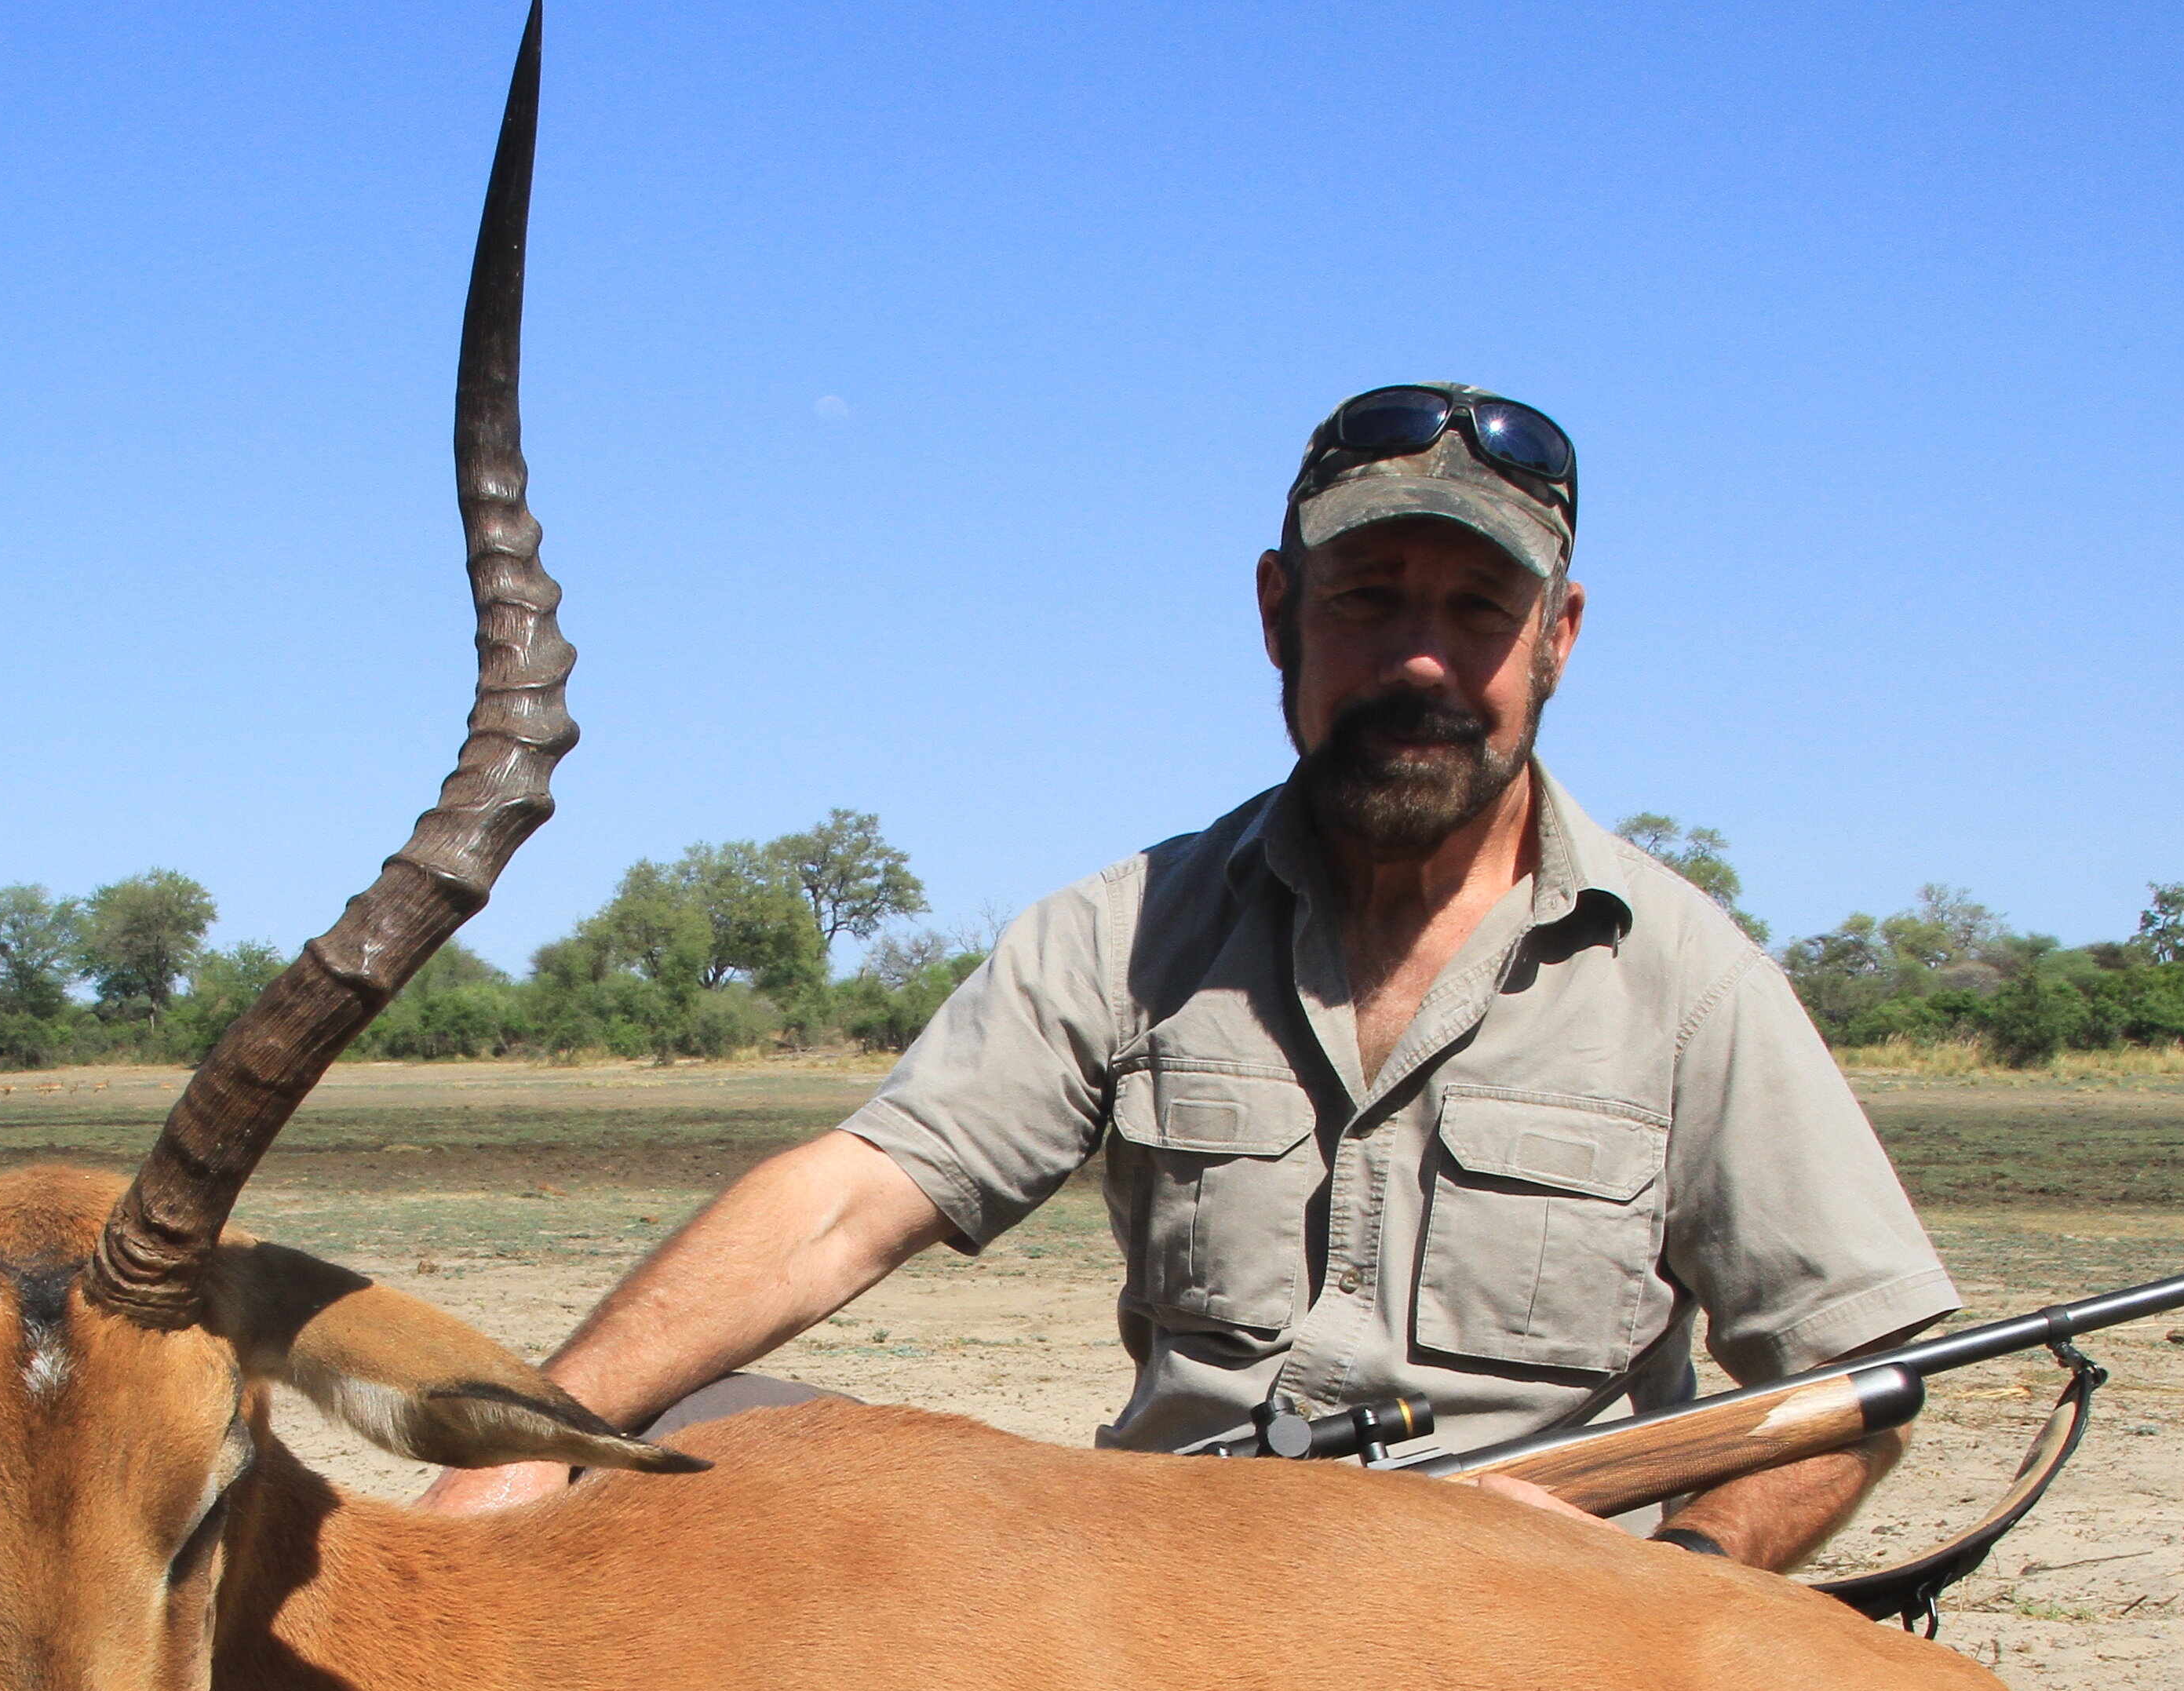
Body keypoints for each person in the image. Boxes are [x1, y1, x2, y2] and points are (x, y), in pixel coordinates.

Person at [426, 382, 1957, 1569]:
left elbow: (1862, 1372)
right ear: (1279, 614)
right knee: (686, 1433)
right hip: (1162, 1611)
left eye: (1474, 612)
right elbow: (850, 1199)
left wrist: (1684, 1573)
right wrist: (529, 1434)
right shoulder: (1124, 931)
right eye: (1367, 601)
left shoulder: (1688, 978)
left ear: (1555, 640)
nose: (1420, 661)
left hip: (1539, 1637)